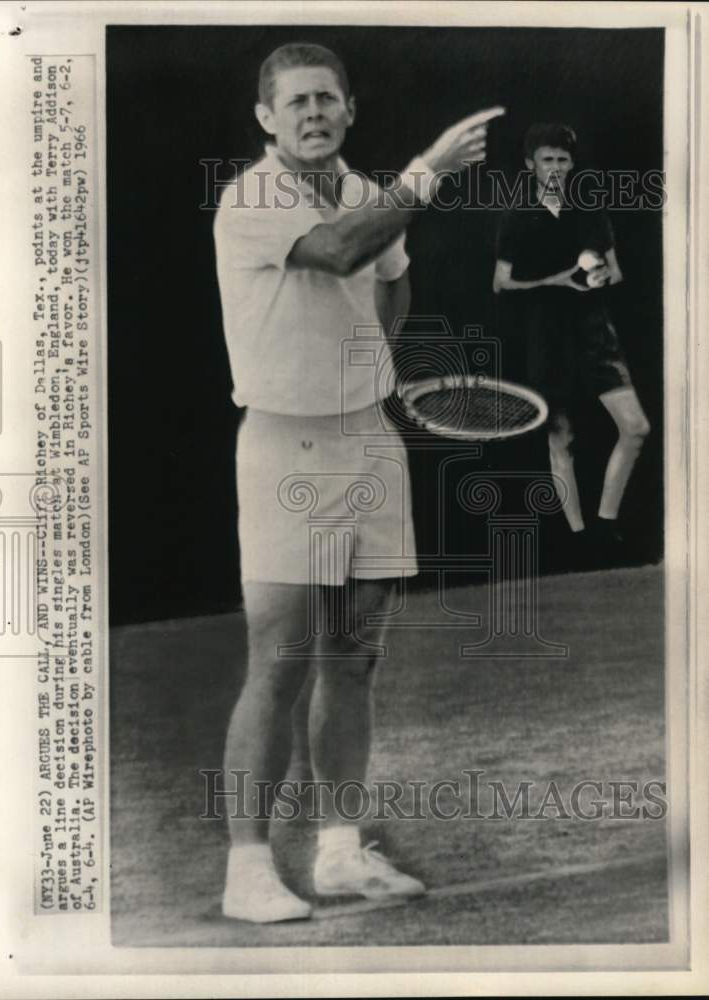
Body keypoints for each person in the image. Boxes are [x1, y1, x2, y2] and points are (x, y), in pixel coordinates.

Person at [214, 41, 502, 923]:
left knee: (354, 655)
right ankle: (248, 870)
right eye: (294, 102)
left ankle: (338, 853)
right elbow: (340, 253)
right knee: (282, 659)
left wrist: (365, 365)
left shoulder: (361, 194)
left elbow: (386, 287)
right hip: (284, 450)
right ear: (267, 118)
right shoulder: (247, 198)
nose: (312, 113)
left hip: (367, 443)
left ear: (347, 109)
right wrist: (425, 174)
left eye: (325, 100)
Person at [493, 123, 650, 558]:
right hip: (548, 335)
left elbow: (615, 272)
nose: (557, 167)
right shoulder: (517, 215)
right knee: (561, 438)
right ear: (531, 164)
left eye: (563, 160)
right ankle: (578, 538)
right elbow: (501, 283)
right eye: (548, 160)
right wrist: (557, 282)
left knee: (635, 428)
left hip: (594, 331)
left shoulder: (589, 207)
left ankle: (606, 525)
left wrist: (597, 276)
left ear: (572, 163)